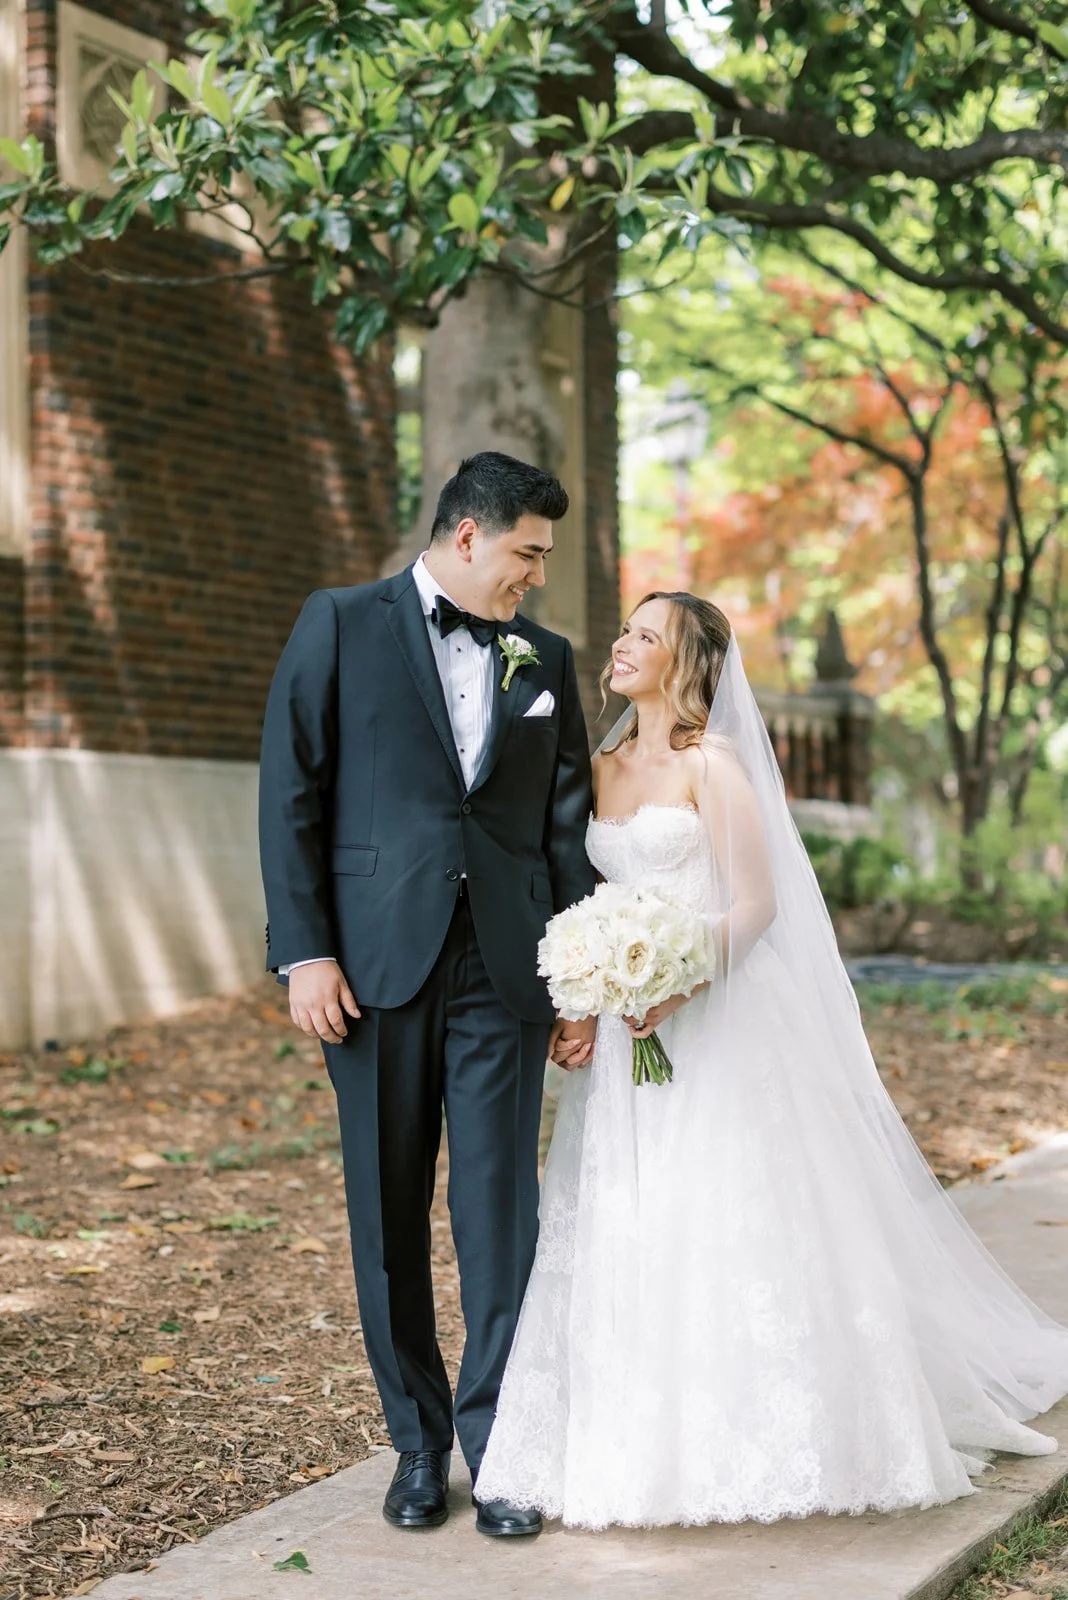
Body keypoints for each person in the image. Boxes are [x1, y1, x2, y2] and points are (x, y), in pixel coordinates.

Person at [475, 590, 1068, 1530]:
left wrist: (679, 976)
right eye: (624, 630)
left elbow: (755, 906)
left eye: (645, 636)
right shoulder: (599, 763)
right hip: (629, 1049)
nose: (622, 644)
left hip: (717, 1026)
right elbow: (585, 894)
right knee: (630, 1215)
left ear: (686, 663)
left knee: (723, 1213)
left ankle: (753, 1432)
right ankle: (630, 1431)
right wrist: (585, 994)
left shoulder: (714, 767)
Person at [258, 452, 597, 1539]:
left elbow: (565, 831)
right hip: (372, 974)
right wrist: (304, 950)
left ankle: (500, 1450)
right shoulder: (341, 623)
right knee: (388, 1218)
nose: (536, 576)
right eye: (527, 554)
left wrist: (580, 976)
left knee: (502, 1217)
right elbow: (290, 792)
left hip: (505, 976)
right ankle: (418, 1445)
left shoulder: (546, 658)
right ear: (466, 536)